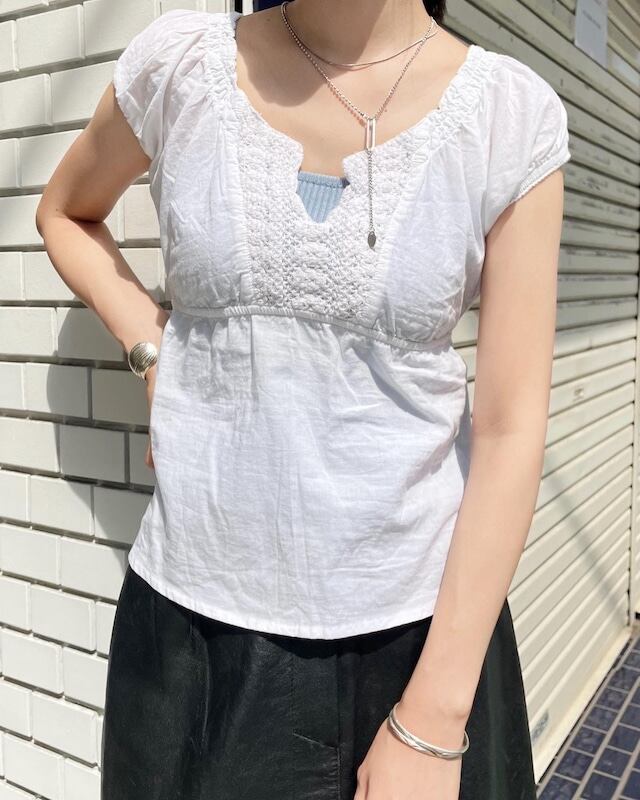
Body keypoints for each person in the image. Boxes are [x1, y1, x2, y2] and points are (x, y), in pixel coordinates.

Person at [35, 0, 571, 797]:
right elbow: (65, 213)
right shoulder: (179, 67)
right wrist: (154, 353)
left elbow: (509, 426)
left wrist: (433, 718)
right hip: (190, 633)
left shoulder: (508, 114)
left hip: (416, 636)